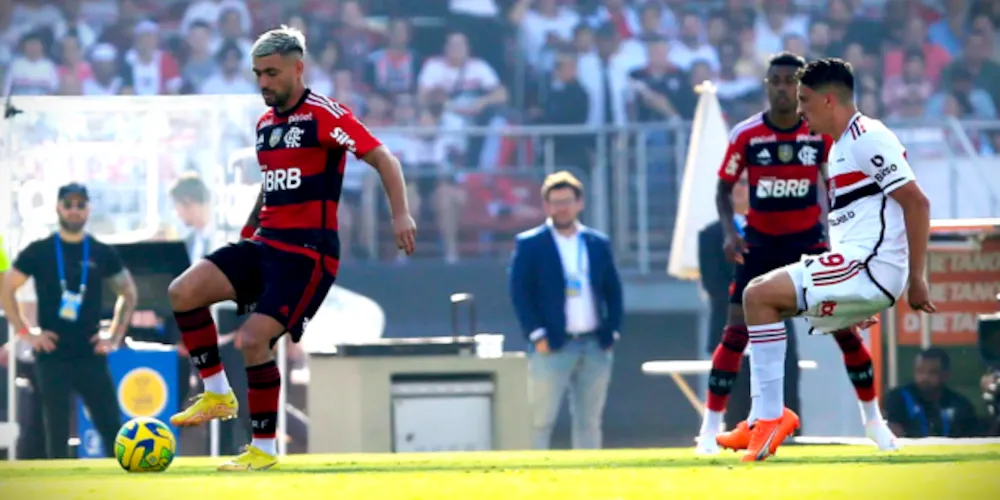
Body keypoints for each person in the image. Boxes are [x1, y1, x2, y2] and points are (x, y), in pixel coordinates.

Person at [165, 25, 416, 472]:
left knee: (253, 339)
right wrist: (249, 223)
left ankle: (263, 448)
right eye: (258, 74)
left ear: (298, 68)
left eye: (272, 73)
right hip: (266, 242)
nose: (263, 83)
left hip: (308, 252)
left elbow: (383, 157)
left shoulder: (325, 114)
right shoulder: (265, 126)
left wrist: (400, 215)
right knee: (184, 291)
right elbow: (272, 185)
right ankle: (218, 394)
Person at [697, 53, 895, 456]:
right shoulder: (748, 134)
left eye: (791, 81)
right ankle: (709, 429)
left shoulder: (819, 134)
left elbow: (835, 189)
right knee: (734, 334)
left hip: (809, 244)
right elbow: (722, 187)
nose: (784, 88)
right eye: (777, 81)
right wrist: (727, 234)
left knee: (846, 328)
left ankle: (874, 422)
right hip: (759, 245)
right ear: (767, 85)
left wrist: (840, 242)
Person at [737, 57, 934, 462]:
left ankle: (768, 419)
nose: (799, 109)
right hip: (859, 268)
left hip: (871, 268)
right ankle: (764, 419)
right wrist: (852, 301)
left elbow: (916, 202)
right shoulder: (843, 145)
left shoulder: (867, 137)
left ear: (829, 100)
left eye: (805, 99)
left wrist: (916, 278)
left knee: (757, 296)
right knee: (758, 297)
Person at [0, 183, 139, 459]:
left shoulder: (101, 252)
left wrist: (113, 335)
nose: (74, 210)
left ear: (89, 209)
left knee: (112, 426)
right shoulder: (39, 251)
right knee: (55, 431)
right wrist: (27, 333)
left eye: (80, 205)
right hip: (51, 353)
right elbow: (7, 289)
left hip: (90, 351)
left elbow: (129, 292)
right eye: (68, 204)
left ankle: (128, 486)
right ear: (58, 207)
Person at [508, 171, 623, 450]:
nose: (562, 208)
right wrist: (536, 335)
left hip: (595, 343)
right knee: (539, 420)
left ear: (579, 203)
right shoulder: (531, 243)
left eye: (567, 201)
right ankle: (533, 481)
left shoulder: (597, 243)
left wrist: (612, 333)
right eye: (556, 202)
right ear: (546, 206)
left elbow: (613, 290)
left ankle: (589, 484)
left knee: (589, 421)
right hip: (552, 344)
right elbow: (519, 293)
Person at [697, 173, 802, 435]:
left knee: (783, 391)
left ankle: (787, 445)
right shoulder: (710, 235)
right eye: (739, 183)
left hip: (776, 325)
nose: (745, 189)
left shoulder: (775, 230)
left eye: (749, 183)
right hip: (732, 325)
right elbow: (714, 286)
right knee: (737, 400)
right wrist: (754, 304)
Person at [167, 172, 251, 455]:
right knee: (205, 398)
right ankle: (213, 452)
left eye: (179, 206)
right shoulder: (185, 245)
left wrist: (247, 326)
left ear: (188, 202)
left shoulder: (228, 236)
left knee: (240, 398)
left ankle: (248, 450)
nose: (178, 214)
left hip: (231, 336)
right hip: (197, 339)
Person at [884, 348, 979, 438]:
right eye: (920, 371)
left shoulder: (960, 404)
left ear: (945, 374)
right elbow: (892, 436)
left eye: (932, 372)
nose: (925, 377)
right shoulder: (899, 398)